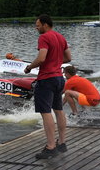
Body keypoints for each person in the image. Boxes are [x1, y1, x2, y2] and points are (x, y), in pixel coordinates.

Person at [24, 15, 72, 159]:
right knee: (59, 110)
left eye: (38, 25)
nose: (36, 28)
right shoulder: (60, 37)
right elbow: (68, 58)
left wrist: (29, 67)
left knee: (46, 112)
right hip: (59, 78)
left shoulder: (44, 37)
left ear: (45, 25)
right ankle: (62, 143)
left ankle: (51, 147)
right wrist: (56, 61)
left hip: (47, 79)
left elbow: (41, 58)